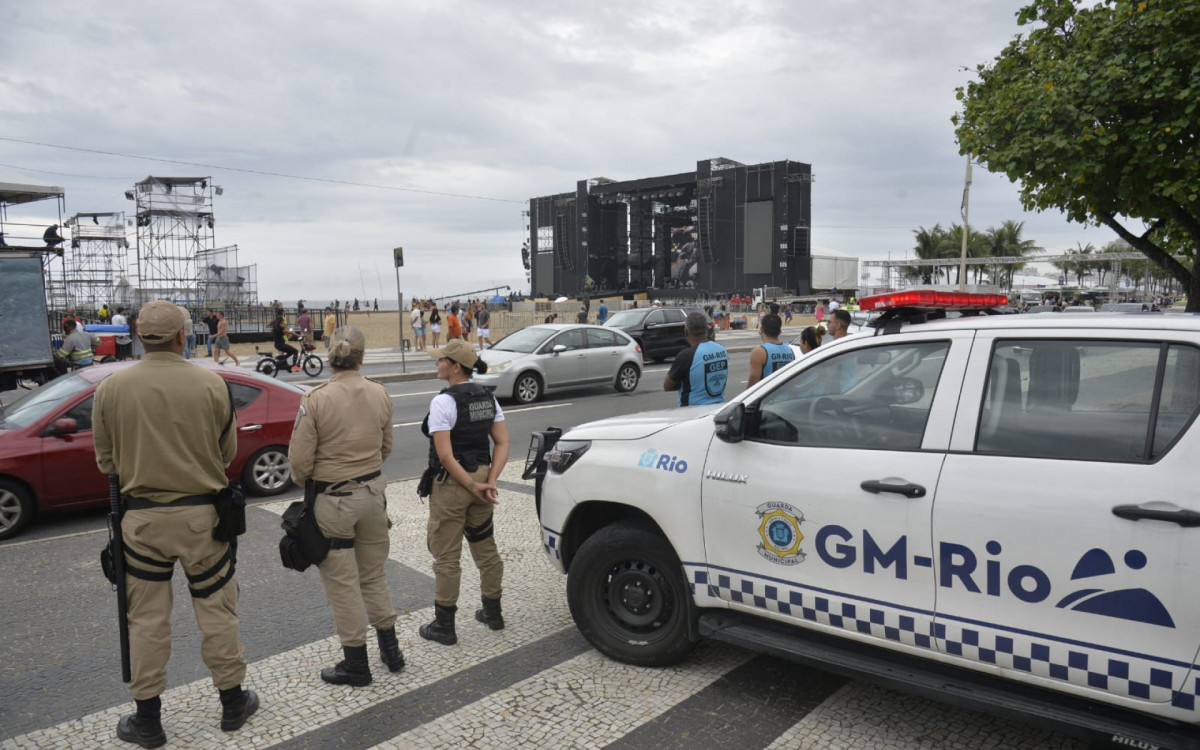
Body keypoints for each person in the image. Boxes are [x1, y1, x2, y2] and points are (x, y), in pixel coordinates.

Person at [92, 300, 258, 747]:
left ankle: (148, 720)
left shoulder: (111, 388)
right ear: (184, 337)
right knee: (217, 612)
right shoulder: (211, 384)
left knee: (145, 621)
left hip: (141, 521)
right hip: (202, 519)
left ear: (139, 337)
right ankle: (232, 703)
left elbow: (106, 461)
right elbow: (226, 452)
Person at [287, 325, 402, 686]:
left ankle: (356, 663)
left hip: (334, 500)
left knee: (343, 585)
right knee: (374, 575)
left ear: (329, 355)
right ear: (362, 357)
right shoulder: (380, 393)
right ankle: (391, 650)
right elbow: (386, 448)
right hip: (372, 496)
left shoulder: (316, 399)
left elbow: (299, 465)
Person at [419, 339, 510, 646]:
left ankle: (444, 627)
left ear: (455, 367)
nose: (436, 364)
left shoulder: (443, 402)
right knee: (484, 545)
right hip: (483, 478)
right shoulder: (488, 397)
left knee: (446, 556)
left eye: (440, 360)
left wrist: (471, 485)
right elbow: (503, 442)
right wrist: (490, 480)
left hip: (454, 484)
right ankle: (493, 612)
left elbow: (445, 456)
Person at [663, 312, 729, 406]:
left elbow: (667, 386)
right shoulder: (721, 350)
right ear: (707, 329)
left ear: (686, 331)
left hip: (692, 411)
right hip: (717, 407)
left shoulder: (685, 355)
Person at [746, 312, 795, 388]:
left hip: (768, 397)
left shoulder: (759, 352)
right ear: (779, 331)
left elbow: (753, 383)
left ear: (762, 330)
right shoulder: (790, 351)